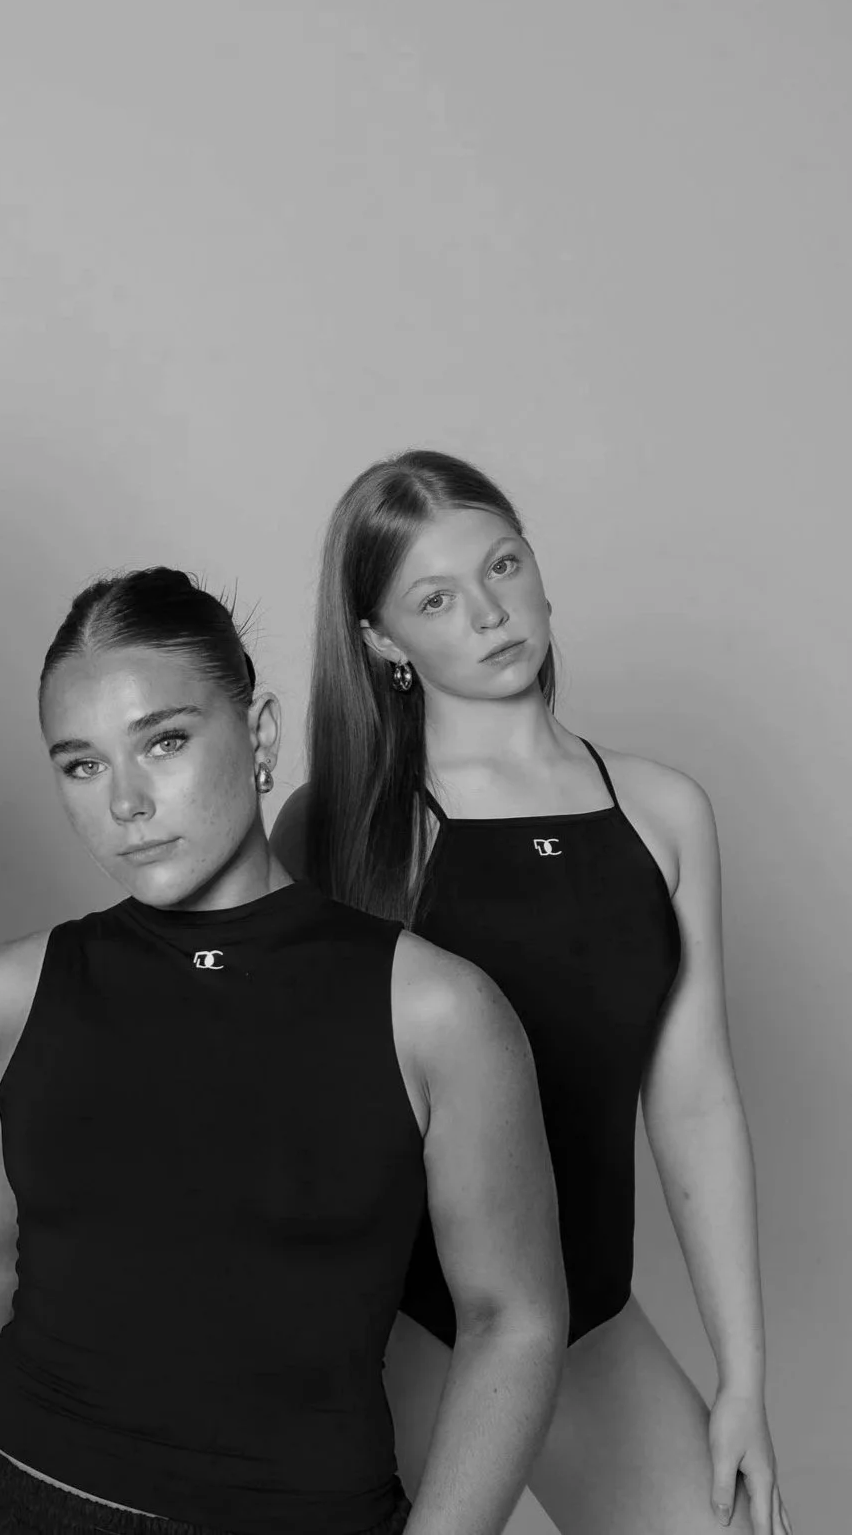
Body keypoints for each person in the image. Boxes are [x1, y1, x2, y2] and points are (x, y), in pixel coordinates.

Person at [0, 568, 569, 1535]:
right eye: (80, 764)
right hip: (12, 1496)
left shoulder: (436, 1011)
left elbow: (515, 1319)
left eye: (163, 741)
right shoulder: (9, 994)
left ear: (258, 735)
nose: (126, 801)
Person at [273, 451, 790, 1535]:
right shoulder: (342, 832)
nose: (489, 612)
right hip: (403, 1332)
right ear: (379, 641)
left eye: (501, 565)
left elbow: (693, 1102)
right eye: (434, 598)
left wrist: (742, 1381)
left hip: (587, 1321)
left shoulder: (661, 812)